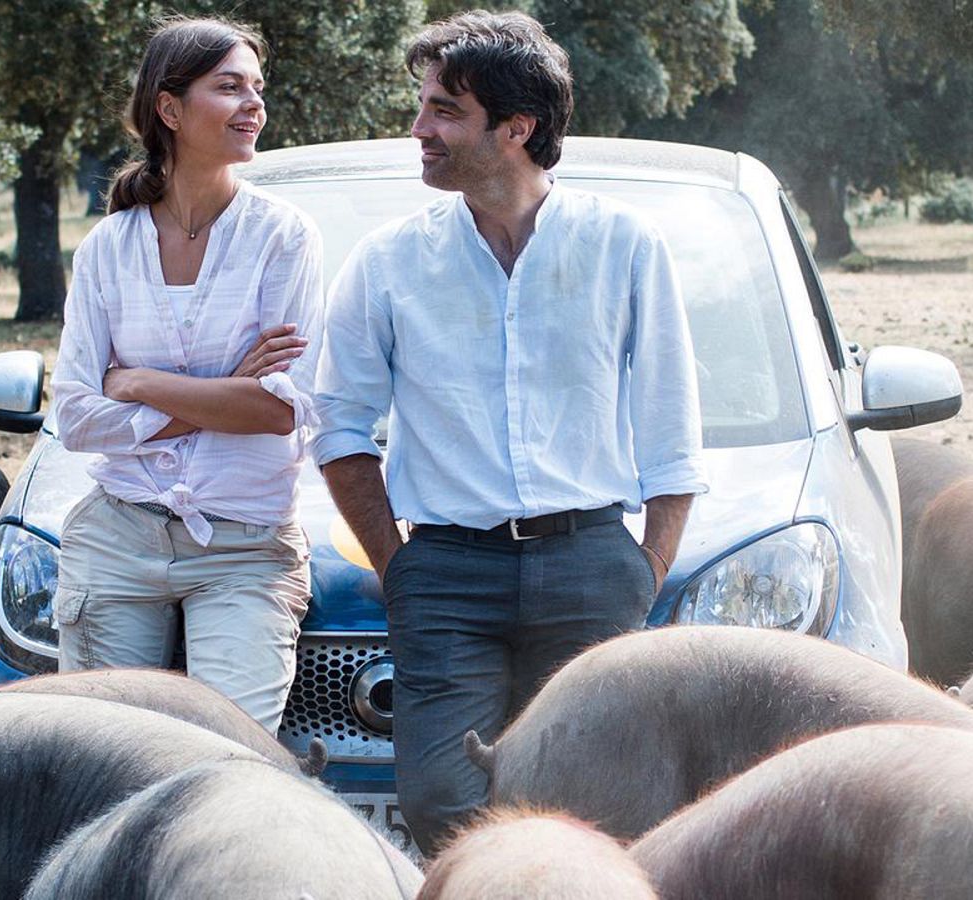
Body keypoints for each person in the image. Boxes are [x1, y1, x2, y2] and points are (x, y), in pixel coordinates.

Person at [313, 11, 708, 851]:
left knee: (596, 802)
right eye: (423, 107)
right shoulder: (387, 263)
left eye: (444, 111)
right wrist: (400, 565)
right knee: (440, 798)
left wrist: (648, 567)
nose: (419, 130)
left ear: (517, 129)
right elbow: (340, 425)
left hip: (592, 565)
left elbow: (671, 424)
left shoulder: (624, 246)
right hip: (447, 571)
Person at [48, 17, 322, 735]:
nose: (254, 104)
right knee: (99, 755)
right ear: (169, 109)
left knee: (230, 758)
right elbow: (75, 417)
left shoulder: (283, 237)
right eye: (230, 87)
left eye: (257, 88)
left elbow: (277, 410)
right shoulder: (108, 248)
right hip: (116, 536)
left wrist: (137, 384)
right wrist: (221, 391)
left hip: (245, 547)